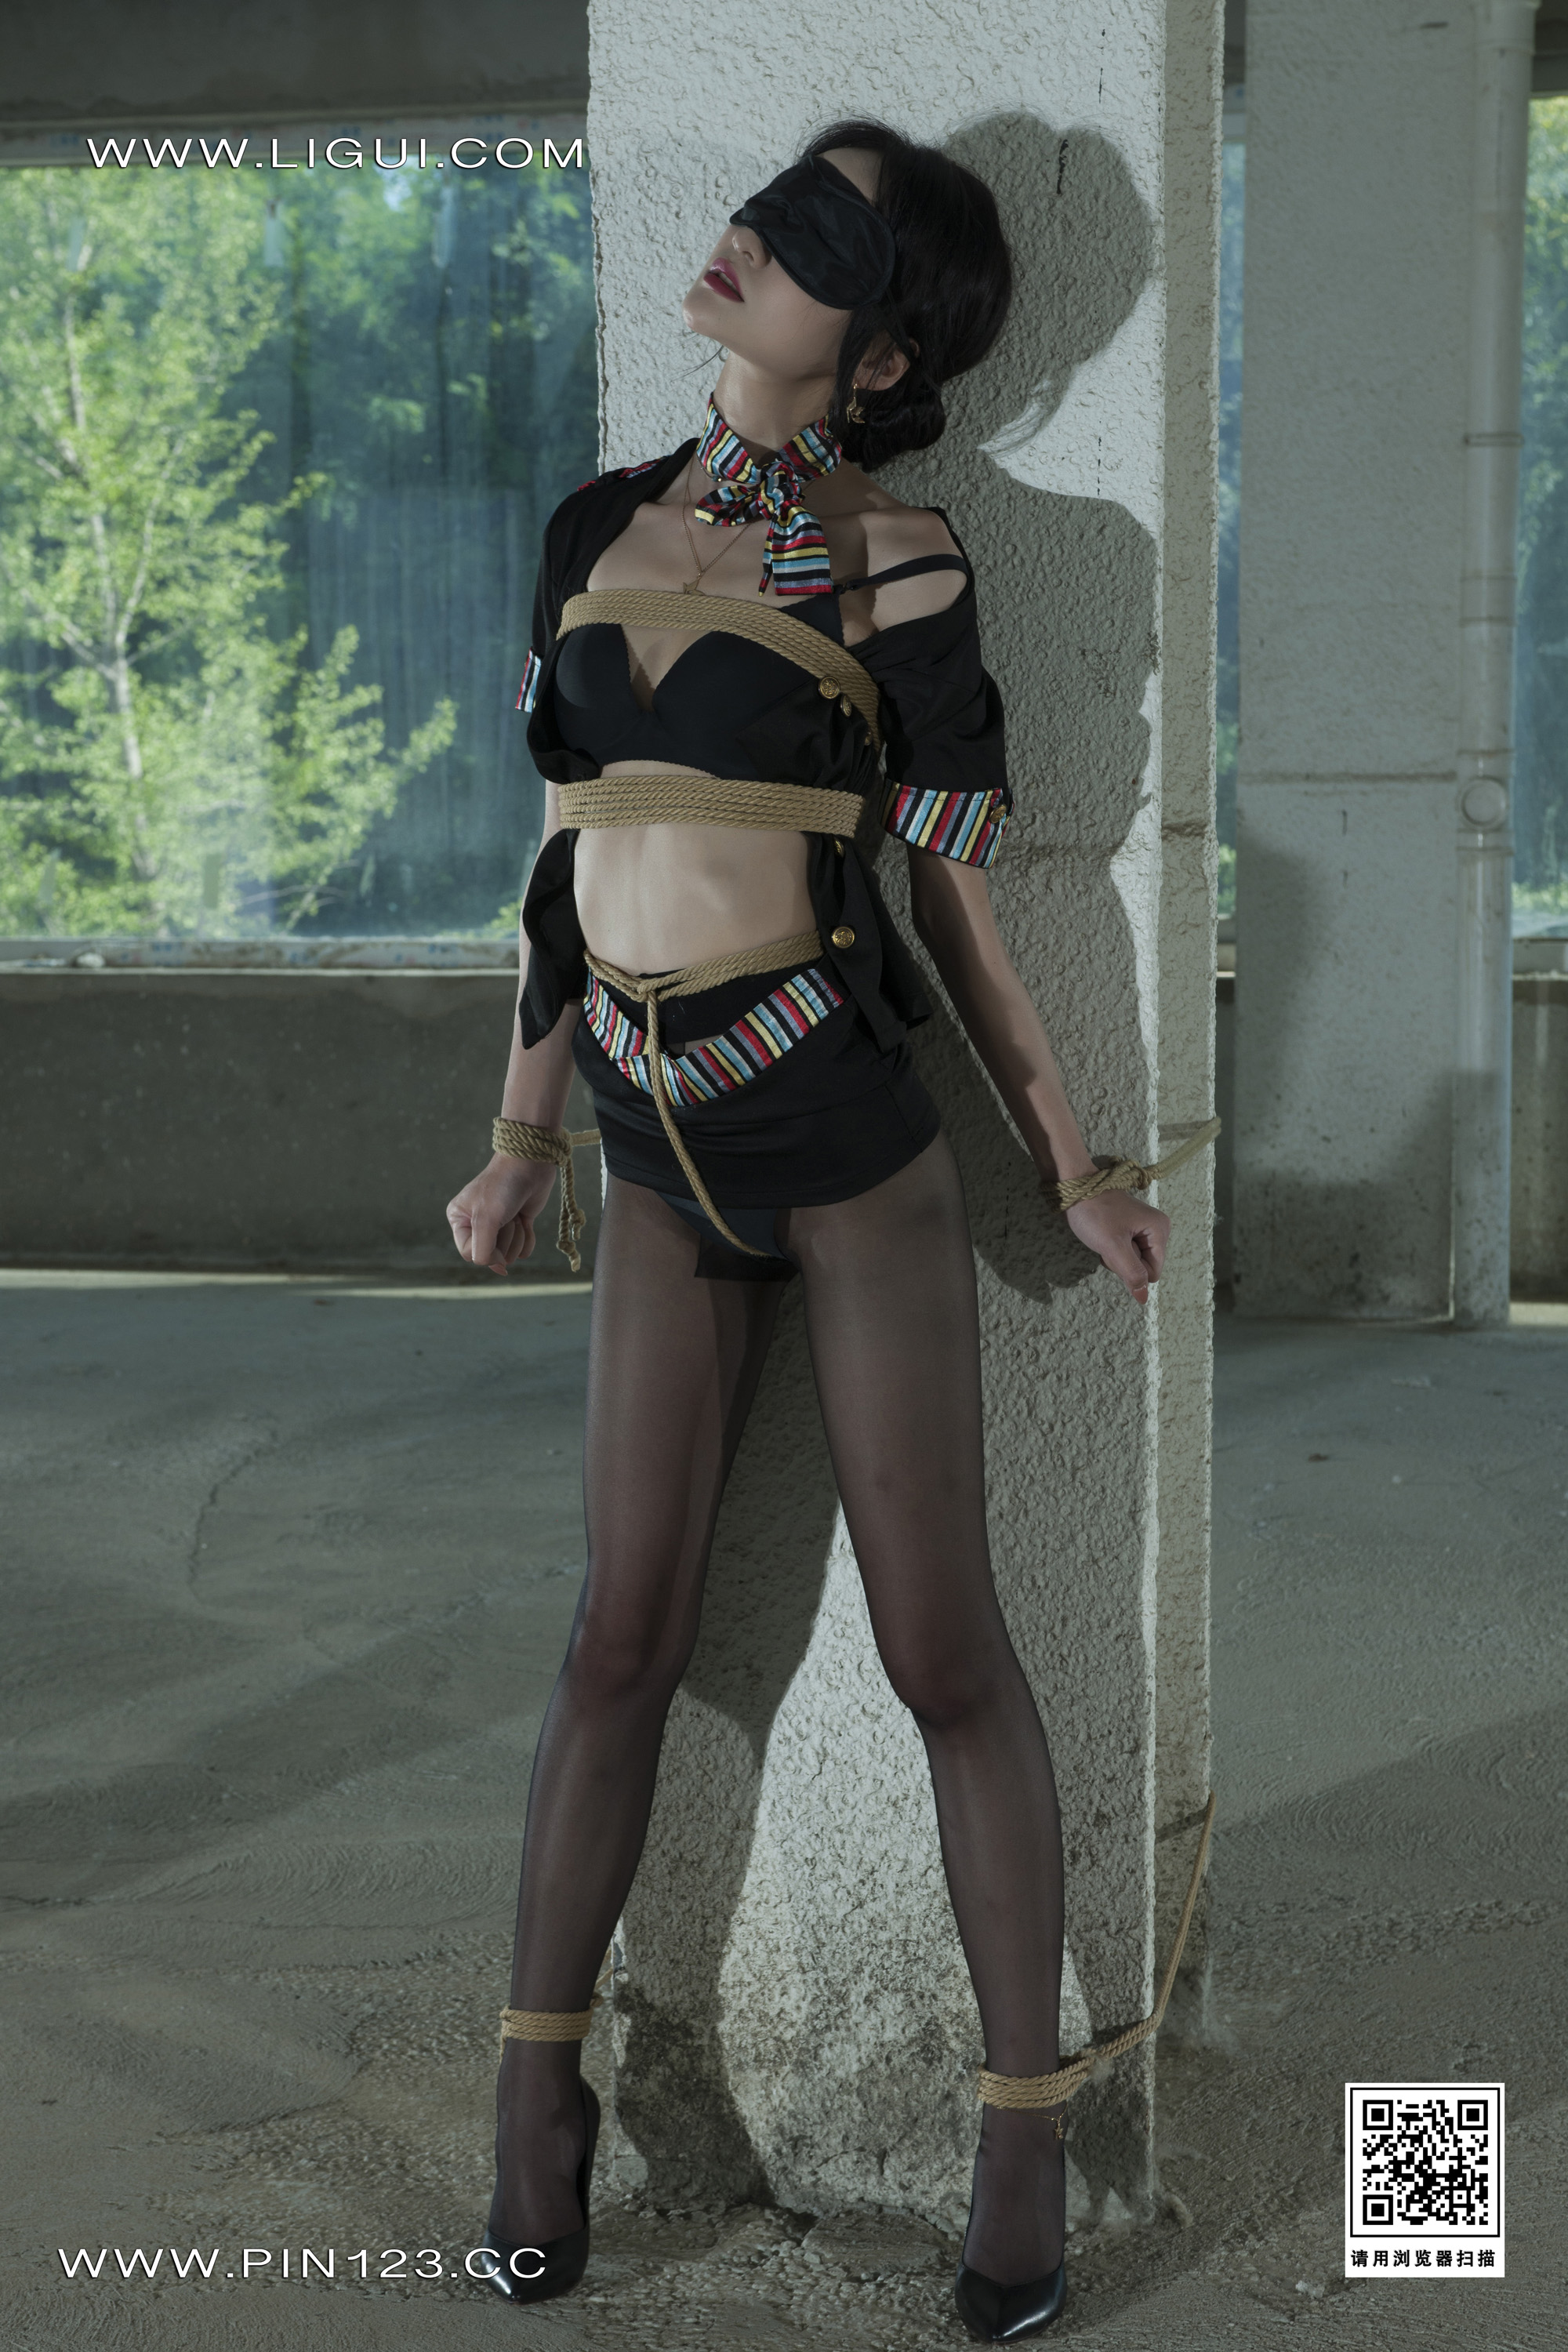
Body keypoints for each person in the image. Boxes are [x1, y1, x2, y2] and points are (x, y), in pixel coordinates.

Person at [447, 120, 1172, 2345]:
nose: (756, 234)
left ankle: (1023, 2138)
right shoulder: (592, 525)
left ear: (880, 357)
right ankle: (537, 2105)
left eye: (824, 235)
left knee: (943, 1649)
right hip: (647, 1154)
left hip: (845, 1145)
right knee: (618, 1637)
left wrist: (1072, 1159)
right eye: (781, 197)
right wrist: (521, 1135)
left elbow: (949, 889)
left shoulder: (900, 560)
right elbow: (565, 865)